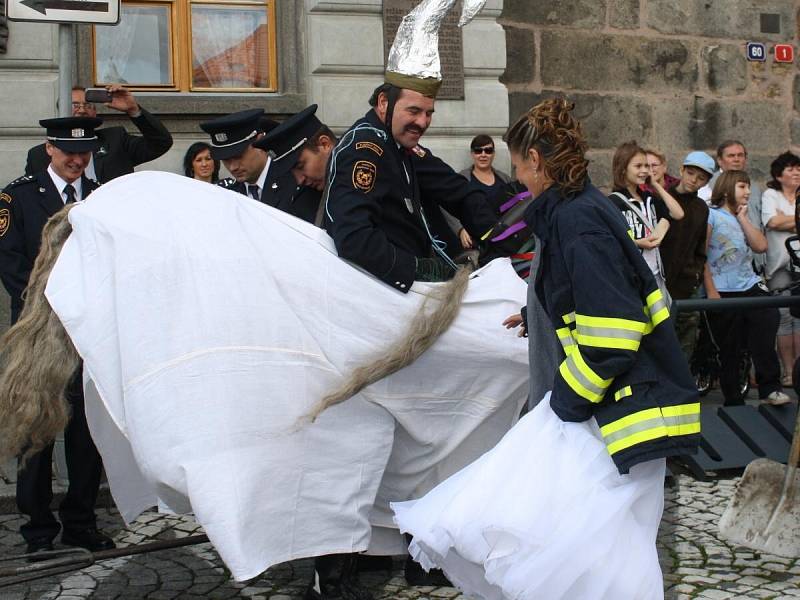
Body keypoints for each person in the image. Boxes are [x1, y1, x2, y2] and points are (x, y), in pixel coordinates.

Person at [392, 98, 700, 600]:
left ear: (535, 159)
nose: (518, 178)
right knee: (591, 555)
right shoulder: (577, 210)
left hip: (607, 415)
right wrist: (539, 317)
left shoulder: (578, 221)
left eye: (517, 165)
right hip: (608, 409)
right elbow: (587, 296)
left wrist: (564, 408)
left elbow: (614, 331)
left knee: (592, 559)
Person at [0, 117, 115, 556]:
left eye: (84, 152)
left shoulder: (102, 196)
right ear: (49, 148)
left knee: (88, 432)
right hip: (40, 334)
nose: (76, 160)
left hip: (91, 332)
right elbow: (11, 265)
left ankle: (81, 521)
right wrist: (55, 305)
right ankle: (38, 529)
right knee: (36, 430)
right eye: (68, 151)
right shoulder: (20, 196)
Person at [323, 83, 497, 292]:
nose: (422, 122)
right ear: (384, 103)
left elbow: (454, 188)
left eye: (429, 113)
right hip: (382, 292)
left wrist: (496, 235)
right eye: (413, 111)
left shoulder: (400, 143)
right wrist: (417, 268)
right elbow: (354, 238)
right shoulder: (363, 149)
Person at [704, 171, 789, 406]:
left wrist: (743, 219)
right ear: (727, 188)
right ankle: (733, 397)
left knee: (768, 319)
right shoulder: (711, 216)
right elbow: (701, 255)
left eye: (748, 187)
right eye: (742, 187)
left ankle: (770, 388)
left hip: (749, 284)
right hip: (723, 288)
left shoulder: (742, 217)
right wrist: (712, 291)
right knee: (729, 345)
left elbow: (761, 246)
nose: (748, 192)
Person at [25, 86, 173, 183]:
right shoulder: (38, 155)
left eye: (88, 105)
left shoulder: (116, 140)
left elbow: (161, 143)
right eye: (75, 105)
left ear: (95, 112)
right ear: (61, 110)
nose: (82, 110)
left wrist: (133, 110)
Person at [200, 109, 321, 224]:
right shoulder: (228, 195)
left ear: (260, 143)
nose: (233, 167)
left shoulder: (297, 182)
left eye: (238, 156)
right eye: (225, 160)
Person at [609, 141, 684, 300]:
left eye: (647, 166)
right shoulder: (614, 202)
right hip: (632, 278)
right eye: (638, 166)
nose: (645, 171)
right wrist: (637, 243)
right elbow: (610, 240)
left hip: (655, 276)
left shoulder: (649, 199)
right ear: (623, 169)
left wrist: (656, 185)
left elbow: (678, 214)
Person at [658, 151, 714, 361]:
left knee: (686, 337)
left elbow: (700, 247)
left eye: (701, 178)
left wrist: (695, 273)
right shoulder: (662, 198)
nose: (694, 180)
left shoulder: (701, 208)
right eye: (690, 173)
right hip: (660, 278)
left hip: (687, 281)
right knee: (659, 337)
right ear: (681, 170)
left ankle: (682, 389)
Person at [252, 104, 331, 224]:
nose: (300, 180)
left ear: (324, 144)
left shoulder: (355, 175)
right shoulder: (306, 197)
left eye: (301, 166)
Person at [762, 151, 800, 386]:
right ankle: (787, 371)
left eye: (799, 169)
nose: (796, 172)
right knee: (784, 318)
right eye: (791, 169)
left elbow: (780, 222)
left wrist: (786, 219)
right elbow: (772, 222)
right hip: (779, 265)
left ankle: (798, 371)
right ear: (778, 175)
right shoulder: (770, 195)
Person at [699, 141, 766, 273]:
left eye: (740, 155)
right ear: (719, 160)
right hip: (726, 262)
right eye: (731, 155)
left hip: (754, 257)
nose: (736, 159)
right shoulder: (709, 185)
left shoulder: (755, 187)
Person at [448, 135, 511, 250]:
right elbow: (446, 205)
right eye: (478, 151)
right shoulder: (463, 179)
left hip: (501, 241)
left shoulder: (505, 179)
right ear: (472, 154)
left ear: (493, 154)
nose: (483, 155)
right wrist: (460, 229)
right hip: (474, 244)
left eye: (488, 151)